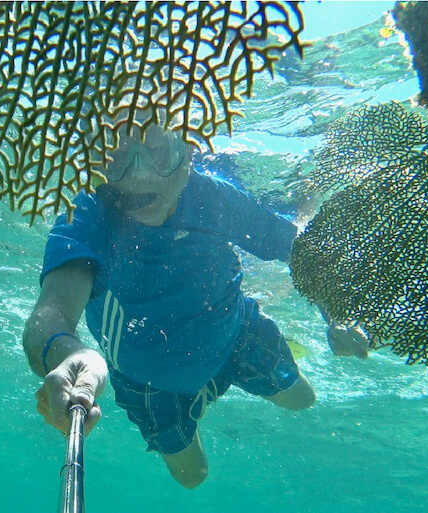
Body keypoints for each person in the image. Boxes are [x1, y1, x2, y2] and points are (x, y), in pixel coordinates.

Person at [22, 120, 369, 489]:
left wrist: (337, 313)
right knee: (194, 477)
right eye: (117, 154)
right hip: (147, 380)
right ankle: (197, 399)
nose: (138, 174)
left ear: (188, 153)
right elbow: (51, 313)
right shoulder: (88, 217)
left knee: (302, 399)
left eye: (157, 151)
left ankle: (225, 370)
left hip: (235, 334)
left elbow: (303, 250)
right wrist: (70, 355)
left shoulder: (214, 199)